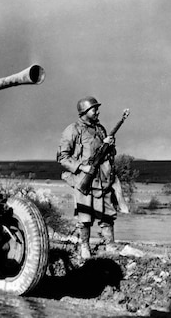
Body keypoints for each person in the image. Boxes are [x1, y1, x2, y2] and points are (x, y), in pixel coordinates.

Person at [57, 96, 118, 259]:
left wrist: (109, 145)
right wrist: (82, 167)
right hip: (84, 180)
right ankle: (85, 246)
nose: (97, 111)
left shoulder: (100, 129)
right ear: (84, 111)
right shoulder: (73, 130)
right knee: (85, 216)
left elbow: (107, 154)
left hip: (102, 179)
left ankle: (110, 245)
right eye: (94, 109)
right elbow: (62, 157)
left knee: (107, 214)